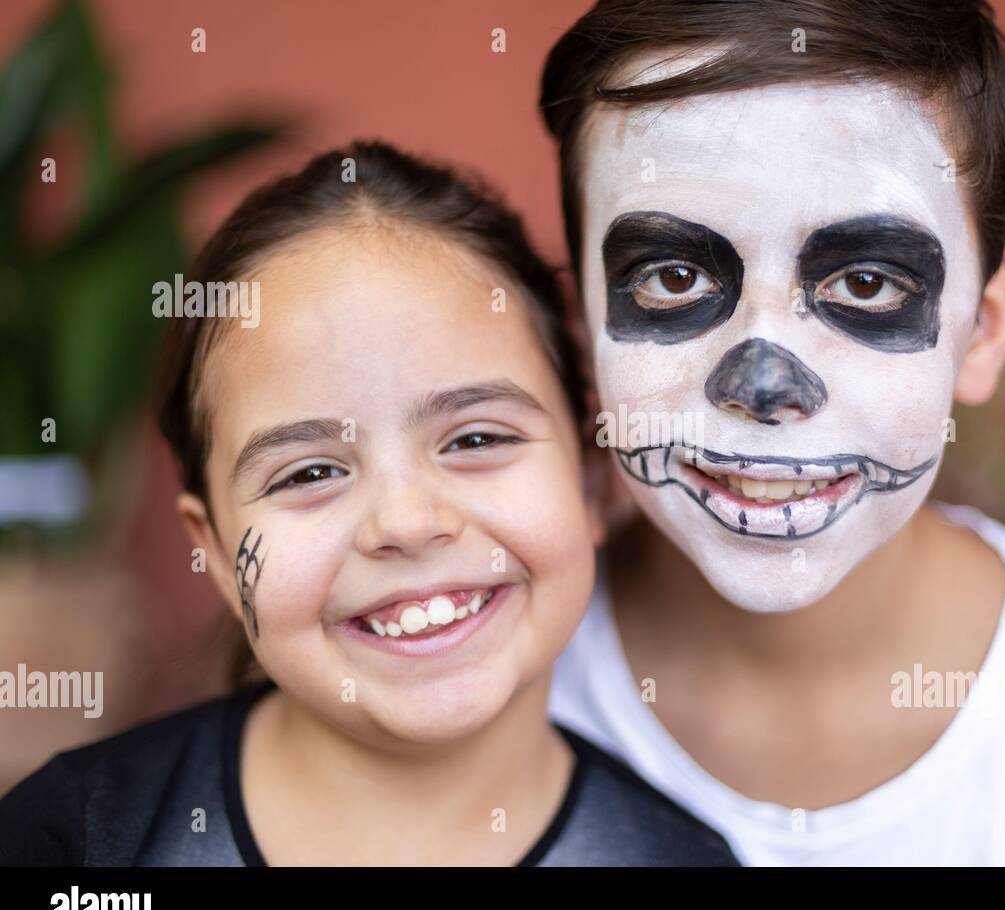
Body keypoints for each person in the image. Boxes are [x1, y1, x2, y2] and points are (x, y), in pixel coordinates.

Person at [541, 0, 1005, 864]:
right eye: (675, 274)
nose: (765, 386)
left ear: (986, 327)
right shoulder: (486, 685)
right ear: (580, 318)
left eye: (870, 284)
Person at [0, 141, 738, 867]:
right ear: (220, 555)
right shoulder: (78, 841)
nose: (408, 523)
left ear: (590, 479)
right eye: (307, 473)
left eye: (476, 437)